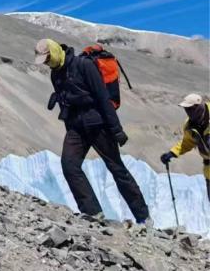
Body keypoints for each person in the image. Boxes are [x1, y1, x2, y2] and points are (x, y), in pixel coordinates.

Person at [34, 38, 150, 224]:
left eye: (48, 59)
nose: (47, 63)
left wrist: (116, 130)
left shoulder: (84, 65)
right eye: (45, 61)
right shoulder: (55, 74)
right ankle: (93, 214)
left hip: (98, 124)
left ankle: (143, 217)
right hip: (76, 127)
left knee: (116, 168)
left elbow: (102, 97)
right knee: (69, 165)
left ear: (55, 52)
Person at [160, 93, 209, 202]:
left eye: (190, 109)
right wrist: (172, 153)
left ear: (198, 107)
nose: (188, 112)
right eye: (186, 109)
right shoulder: (189, 126)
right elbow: (187, 143)